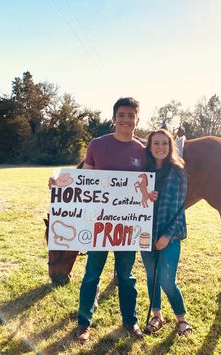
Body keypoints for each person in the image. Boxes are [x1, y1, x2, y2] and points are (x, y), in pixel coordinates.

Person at [75, 97, 149, 343]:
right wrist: (60, 184)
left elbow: (146, 186)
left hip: (128, 227)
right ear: (114, 117)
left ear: (137, 119)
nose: (126, 120)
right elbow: (84, 179)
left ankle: (130, 322)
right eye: (122, 115)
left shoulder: (142, 151)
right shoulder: (97, 145)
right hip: (99, 224)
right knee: (91, 274)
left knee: (126, 277)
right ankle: (84, 324)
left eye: (131, 115)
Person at [141, 129, 192, 336]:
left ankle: (182, 319)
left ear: (170, 146)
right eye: (156, 143)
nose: (160, 147)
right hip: (145, 233)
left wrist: (166, 236)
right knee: (152, 276)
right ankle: (157, 315)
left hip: (169, 235)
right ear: (150, 146)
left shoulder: (178, 171)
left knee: (167, 280)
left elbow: (180, 207)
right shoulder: (144, 171)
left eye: (164, 143)